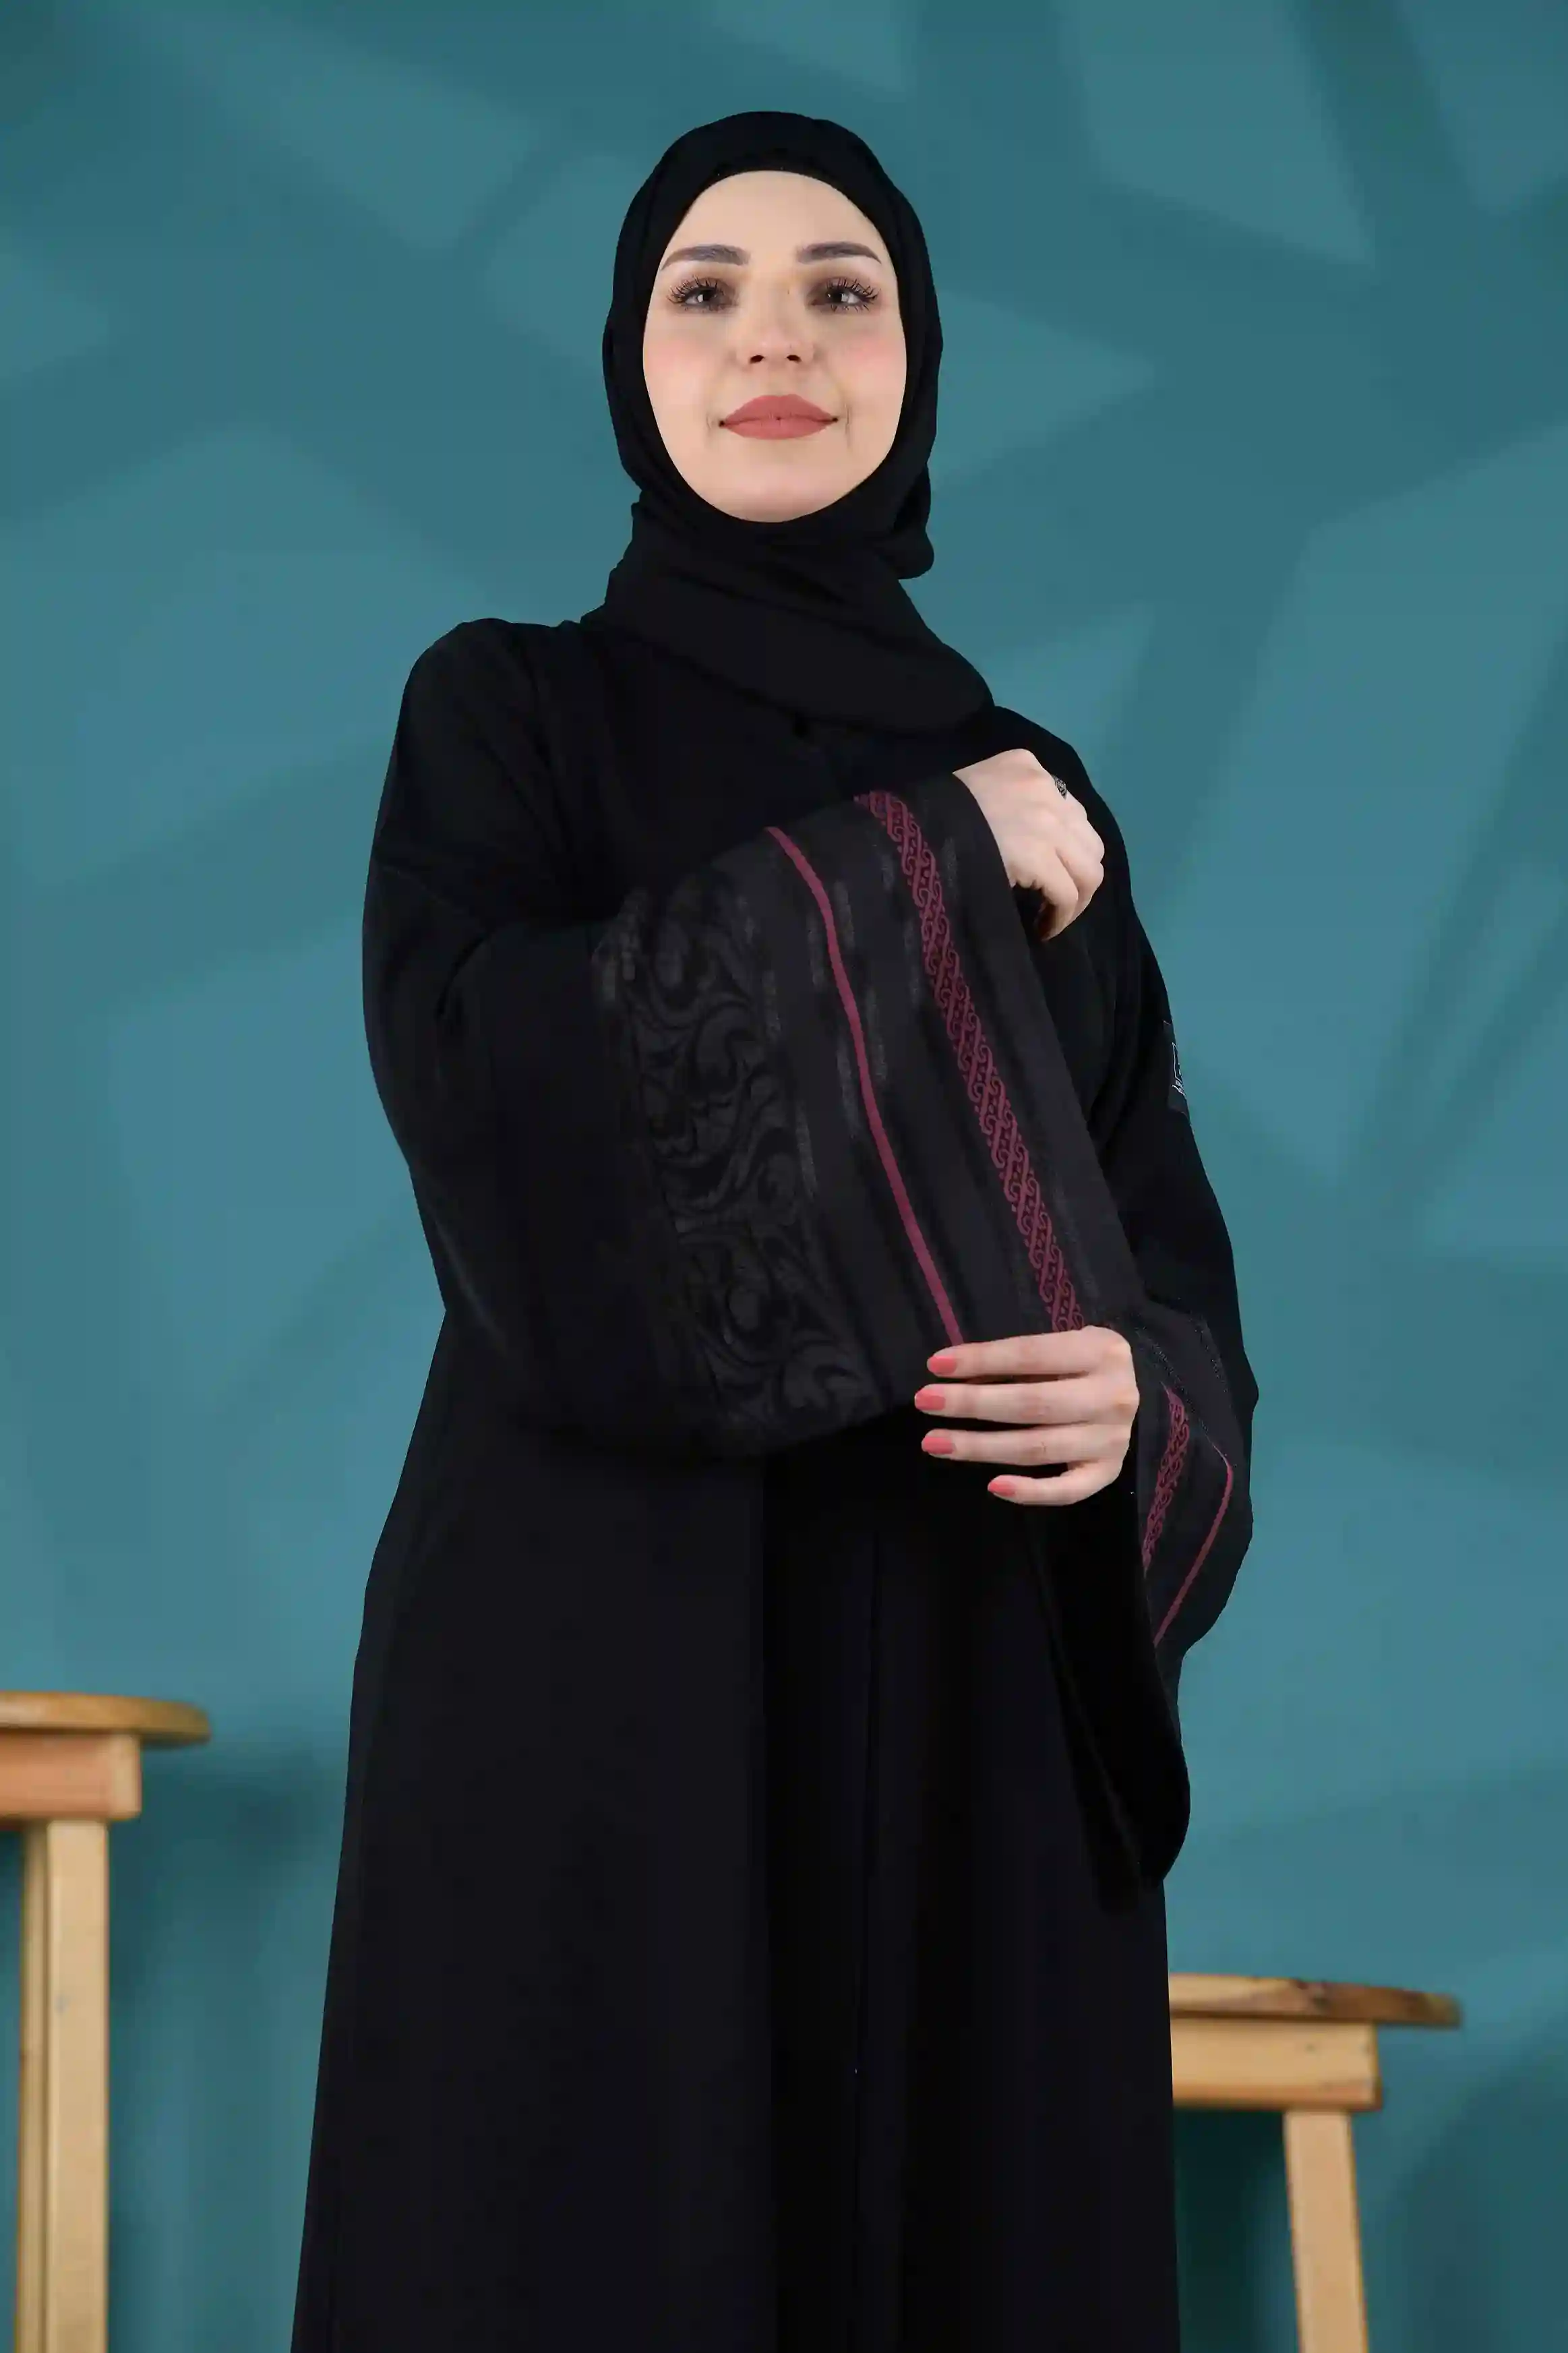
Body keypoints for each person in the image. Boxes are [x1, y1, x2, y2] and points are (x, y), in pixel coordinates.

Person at [290, 109, 1259, 2352]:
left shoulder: (1036, 778)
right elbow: (487, 1090)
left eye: (843, 291)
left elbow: (1156, 1237)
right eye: (704, 292)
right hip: (595, 1669)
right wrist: (928, 872)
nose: (775, 343)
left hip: (972, 1688)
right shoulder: (512, 712)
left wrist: (1144, 1399)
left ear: (919, 360)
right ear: (629, 360)